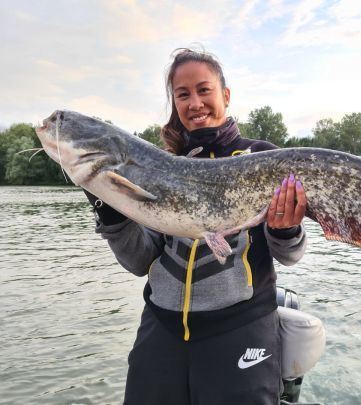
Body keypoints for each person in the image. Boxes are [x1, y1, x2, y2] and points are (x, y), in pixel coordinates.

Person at [85, 48, 307, 405]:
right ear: (175, 103)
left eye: (204, 90)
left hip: (240, 330)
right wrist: (110, 211)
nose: (195, 103)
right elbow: (138, 261)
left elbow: (291, 255)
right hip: (161, 331)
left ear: (225, 95)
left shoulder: (261, 157)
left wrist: (285, 230)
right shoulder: (160, 166)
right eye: (183, 94)